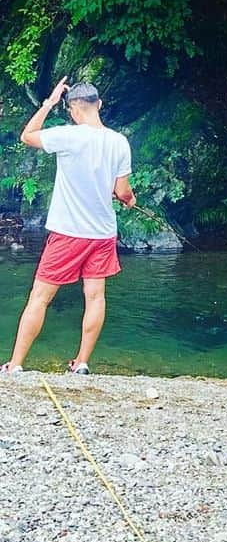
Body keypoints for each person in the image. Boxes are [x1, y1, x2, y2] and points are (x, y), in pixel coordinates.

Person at [1, 78, 136, 376]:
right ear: (99, 104)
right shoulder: (119, 142)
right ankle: (82, 363)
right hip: (102, 234)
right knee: (95, 297)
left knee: (40, 297)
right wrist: (129, 199)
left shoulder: (67, 136)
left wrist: (49, 103)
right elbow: (123, 191)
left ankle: (16, 364)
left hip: (68, 234)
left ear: (74, 110)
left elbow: (28, 136)